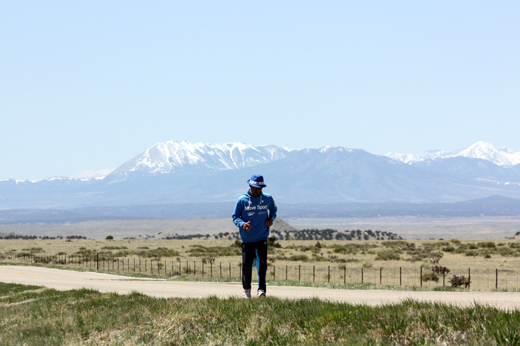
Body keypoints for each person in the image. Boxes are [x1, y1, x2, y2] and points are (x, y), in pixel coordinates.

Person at [232, 174, 277, 298]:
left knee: (262, 265)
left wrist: (271, 219)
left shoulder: (268, 198)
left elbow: (273, 210)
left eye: (259, 188)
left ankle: (261, 290)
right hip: (247, 239)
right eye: (254, 187)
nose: (256, 190)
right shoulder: (242, 200)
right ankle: (246, 290)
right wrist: (242, 224)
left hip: (262, 238)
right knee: (247, 267)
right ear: (250, 186)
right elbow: (235, 217)